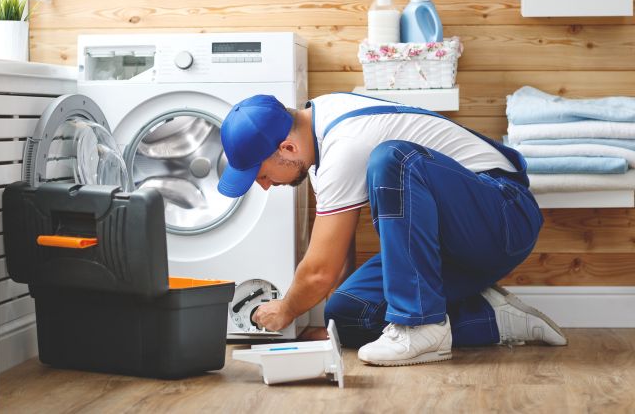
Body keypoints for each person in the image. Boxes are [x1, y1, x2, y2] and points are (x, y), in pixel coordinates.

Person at [217, 92, 567, 366]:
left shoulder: (345, 142)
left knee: (392, 160)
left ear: (287, 148)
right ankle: (493, 319)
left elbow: (319, 272)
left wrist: (287, 309)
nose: (264, 185)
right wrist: (327, 320)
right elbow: (336, 254)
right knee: (347, 314)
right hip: (455, 240)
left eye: (262, 174)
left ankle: (421, 325)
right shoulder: (318, 130)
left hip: (505, 216)